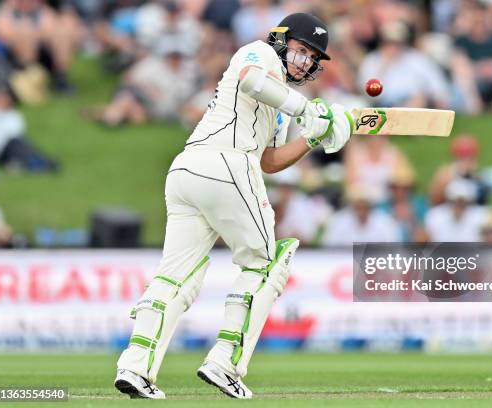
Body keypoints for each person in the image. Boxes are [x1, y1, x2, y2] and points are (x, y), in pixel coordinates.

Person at [113, 13, 353, 399]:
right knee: (266, 263)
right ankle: (225, 362)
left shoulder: (281, 102)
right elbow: (251, 81)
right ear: (280, 39)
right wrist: (308, 110)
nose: (305, 61)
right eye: (301, 49)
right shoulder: (258, 53)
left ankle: (134, 366)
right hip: (223, 163)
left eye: (312, 57)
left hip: (191, 172)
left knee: (176, 276)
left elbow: (270, 161)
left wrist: (313, 137)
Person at [424, 178, 488, 242]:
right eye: (454, 202)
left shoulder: (481, 216)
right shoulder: (435, 216)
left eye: (462, 203)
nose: (458, 206)